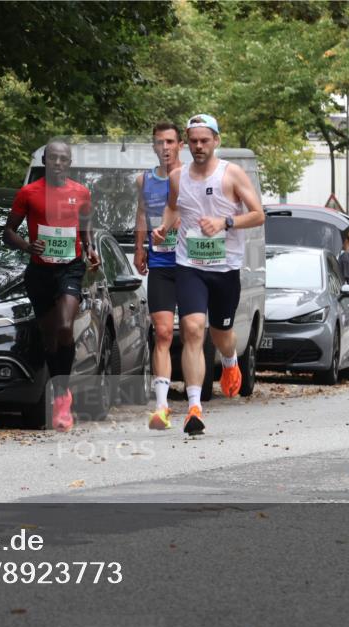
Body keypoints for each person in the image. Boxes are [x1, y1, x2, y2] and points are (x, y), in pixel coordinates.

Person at [152, 114, 265, 435]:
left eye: (205, 140)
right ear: (187, 143)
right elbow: (174, 207)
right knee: (191, 329)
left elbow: (258, 215)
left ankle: (229, 361)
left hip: (225, 269)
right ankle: (193, 407)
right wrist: (163, 226)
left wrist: (225, 223)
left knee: (221, 336)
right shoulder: (178, 177)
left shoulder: (232, 174)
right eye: (193, 141)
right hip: (190, 265)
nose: (199, 146)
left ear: (216, 140)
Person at [3, 140, 100, 432]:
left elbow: (86, 229)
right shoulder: (28, 193)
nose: (58, 163)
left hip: (71, 268)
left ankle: (62, 395)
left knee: (64, 327)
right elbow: (8, 232)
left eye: (64, 159)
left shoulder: (81, 192)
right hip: (40, 271)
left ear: (69, 163)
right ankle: (58, 389)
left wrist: (92, 249)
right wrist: (27, 245)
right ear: (45, 160)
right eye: (53, 158)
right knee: (49, 338)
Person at [133, 121, 184, 430]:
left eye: (170, 142)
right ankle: (162, 406)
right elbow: (142, 213)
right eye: (159, 142)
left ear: (180, 145)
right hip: (162, 265)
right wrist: (140, 249)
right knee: (163, 332)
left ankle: (194, 403)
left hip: (191, 264)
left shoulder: (192, 177)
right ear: (153, 147)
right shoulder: (144, 180)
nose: (164, 147)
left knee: (193, 332)